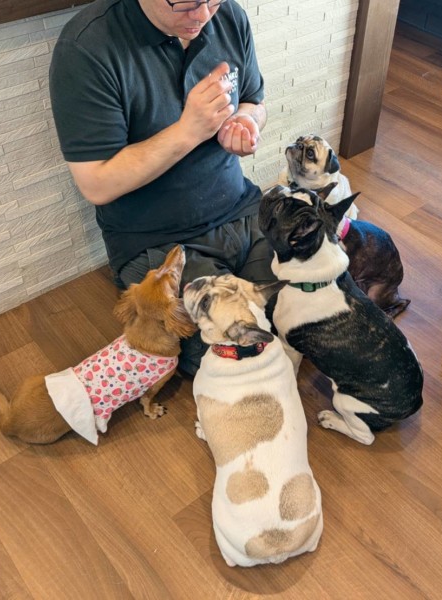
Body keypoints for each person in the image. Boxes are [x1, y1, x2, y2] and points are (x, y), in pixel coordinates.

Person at [49, 0, 276, 376]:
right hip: (160, 245)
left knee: (317, 302)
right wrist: (189, 131)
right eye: (184, 2)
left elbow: (254, 100)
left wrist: (246, 121)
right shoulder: (88, 47)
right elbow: (96, 183)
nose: (202, 16)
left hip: (241, 208)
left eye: (213, 0)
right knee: (233, 355)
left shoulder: (228, 15)